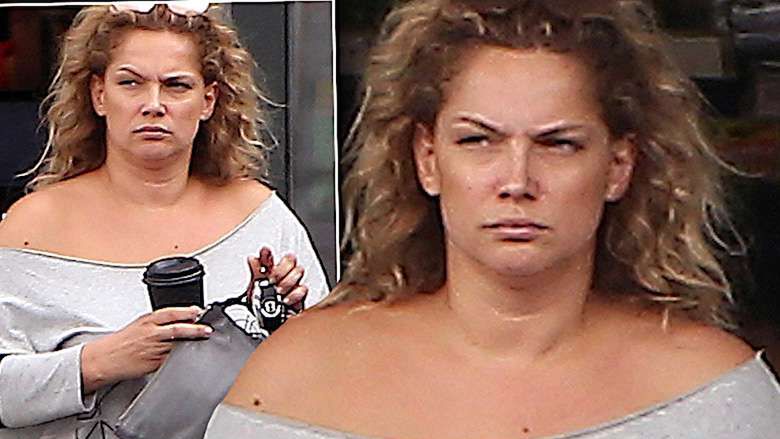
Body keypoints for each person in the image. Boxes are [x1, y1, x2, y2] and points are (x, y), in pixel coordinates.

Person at [209, 0, 780, 438]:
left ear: (618, 166)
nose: (517, 181)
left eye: (558, 144)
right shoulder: (296, 385)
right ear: (427, 159)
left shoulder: (715, 399)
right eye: (478, 140)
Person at [0, 3, 329, 438]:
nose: (153, 105)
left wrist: (269, 324)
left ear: (208, 100)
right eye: (130, 83)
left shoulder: (261, 217)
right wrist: (101, 361)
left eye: (176, 86)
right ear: (99, 94)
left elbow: (327, 380)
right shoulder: (33, 226)